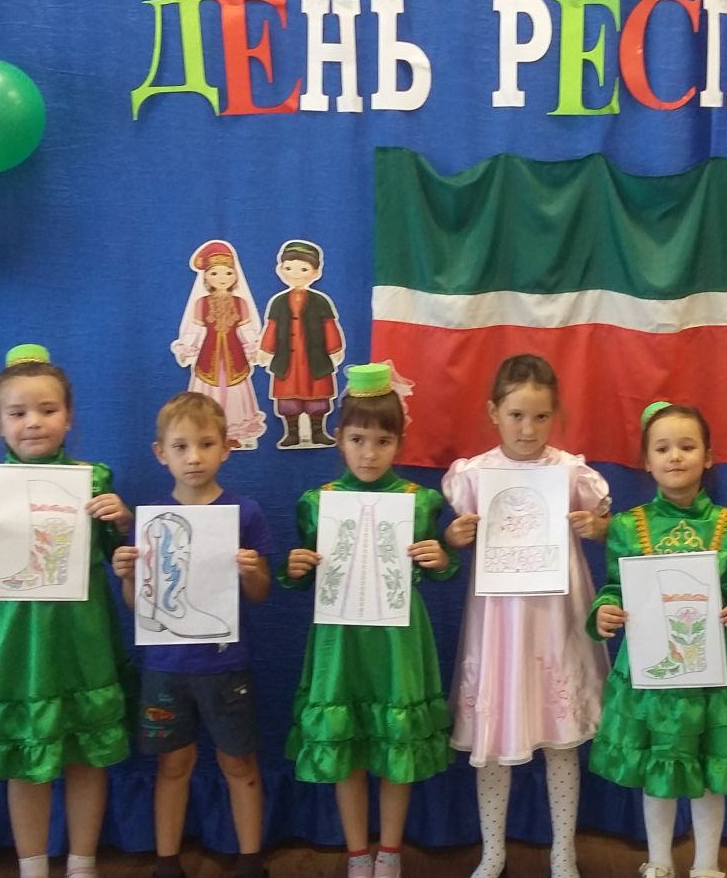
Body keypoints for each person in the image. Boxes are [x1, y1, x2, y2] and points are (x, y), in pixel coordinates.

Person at [0, 344, 134, 878]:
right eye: (18, 412)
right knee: (25, 762)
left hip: (81, 642)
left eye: (48, 409)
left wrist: (121, 521)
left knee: (86, 756)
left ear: (69, 417)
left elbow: (118, 556)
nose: (33, 422)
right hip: (15, 647)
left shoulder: (94, 480)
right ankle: (32, 867)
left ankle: (83, 863)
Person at [280, 363, 457, 878]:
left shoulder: (420, 502)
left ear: (399, 443)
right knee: (347, 742)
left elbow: (441, 570)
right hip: (340, 643)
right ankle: (358, 854)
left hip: (397, 643)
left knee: (396, 741)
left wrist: (441, 560)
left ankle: (390, 853)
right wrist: (294, 569)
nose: (369, 453)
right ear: (339, 439)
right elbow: (306, 575)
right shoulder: (318, 503)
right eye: (358, 440)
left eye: (383, 441)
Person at [442, 354, 612, 878]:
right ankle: (493, 850)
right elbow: (454, 537)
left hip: (555, 620)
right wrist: (455, 536)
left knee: (561, 738)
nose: (528, 428)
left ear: (554, 414)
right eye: (516, 415)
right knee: (494, 740)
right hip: (499, 625)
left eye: (540, 416)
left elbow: (609, 525)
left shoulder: (571, 473)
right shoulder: (474, 476)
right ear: (494, 412)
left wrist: (598, 528)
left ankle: (564, 851)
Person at [589, 402, 727, 878]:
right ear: (646, 461)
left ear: (708, 456)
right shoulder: (627, 526)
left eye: (687, 446)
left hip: (709, 676)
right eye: (662, 448)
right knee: (659, 767)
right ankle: (660, 860)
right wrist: (604, 610)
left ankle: (706, 864)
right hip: (651, 676)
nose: (675, 456)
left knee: (709, 771)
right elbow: (614, 587)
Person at [109, 392, 273, 878]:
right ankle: (167, 862)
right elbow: (139, 606)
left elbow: (261, 594)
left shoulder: (245, 513)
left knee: (239, 764)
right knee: (172, 766)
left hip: (226, 667)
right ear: (161, 453)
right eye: (180, 447)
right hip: (165, 669)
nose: (194, 457)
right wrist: (126, 576)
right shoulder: (150, 521)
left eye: (206, 444)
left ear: (227, 448)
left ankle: (250, 861)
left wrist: (252, 571)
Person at [171, 240, 267, 450]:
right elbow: (196, 330)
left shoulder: (240, 303)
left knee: (235, 393)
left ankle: (233, 433)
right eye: (214, 273)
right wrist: (187, 346)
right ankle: (207, 433)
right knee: (208, 393)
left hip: (235, 356)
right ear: (205, 277)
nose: (222, 278)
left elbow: (246, 330)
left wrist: (253, 346)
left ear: (235, 276)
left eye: (228, 273)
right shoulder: (201, 303)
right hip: (208, 356)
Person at [260, 239, 345, 449]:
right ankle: (292, 433)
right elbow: (272, 328)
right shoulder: (278, 302)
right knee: (289, 399)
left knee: (317, 398)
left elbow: (329, 326)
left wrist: (334, 349)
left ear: (315, 272)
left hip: (314, 360)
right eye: (289, 268)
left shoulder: (321, 301)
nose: (296, 274)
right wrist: (266, 350)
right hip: (288, 361)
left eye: (303, 269)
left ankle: (318, 432)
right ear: (280, 269)